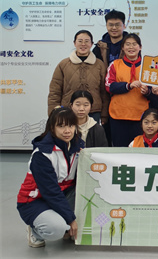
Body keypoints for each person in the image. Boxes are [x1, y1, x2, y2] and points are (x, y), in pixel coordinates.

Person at [17, 107, 83, 248]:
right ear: (52, 128)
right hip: (34, 201)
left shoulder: (78, 147)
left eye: (71, 125)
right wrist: (71, 220)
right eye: (61, 126)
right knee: (56, 229)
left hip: (62, 194)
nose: (67, 131)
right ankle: (35, 232)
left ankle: (65, 226)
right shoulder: (42, 155)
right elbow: (51, 191)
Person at [47, 30, 108, 124]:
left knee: (91, 134)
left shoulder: (100, 65)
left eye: (87, 41)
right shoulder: (63, 64)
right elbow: (55, 91)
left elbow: (104, 92)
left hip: (94, 111)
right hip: (68, 111)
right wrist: (53, 112)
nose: (83, 44)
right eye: (80, 41)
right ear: (74, 43)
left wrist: (104, 115)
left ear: (91, 44)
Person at [105, 34, 155, 146]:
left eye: (134, 44)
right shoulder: (115, 64)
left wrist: (147, 91)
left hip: (141, 116)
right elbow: (109, 86)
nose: (131, 47)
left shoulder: (148, 65)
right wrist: (128, 86)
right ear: (122, 47)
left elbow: (155, 90)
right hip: (118, 115)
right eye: (127, 44)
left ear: (140, 47)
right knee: (120, 150)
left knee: (139, 150)